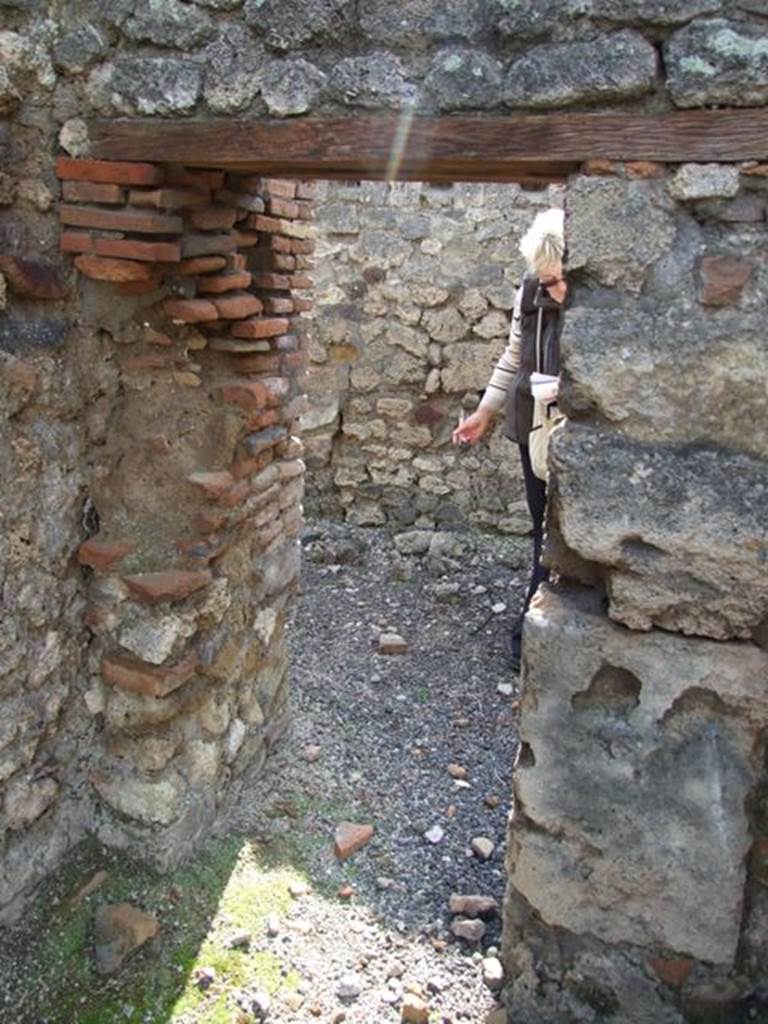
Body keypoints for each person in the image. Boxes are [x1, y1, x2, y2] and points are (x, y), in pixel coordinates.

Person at [452, 208, 568, 672]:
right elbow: (514, 356)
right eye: (546, 281)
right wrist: (484, 411)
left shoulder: (596, 295)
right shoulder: (529, 292)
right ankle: (533, 634)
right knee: (544, 525)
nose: (553, 289)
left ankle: (537, 633)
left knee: (564, 531)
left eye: (559, 280)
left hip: (578, 428)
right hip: (534, 425)